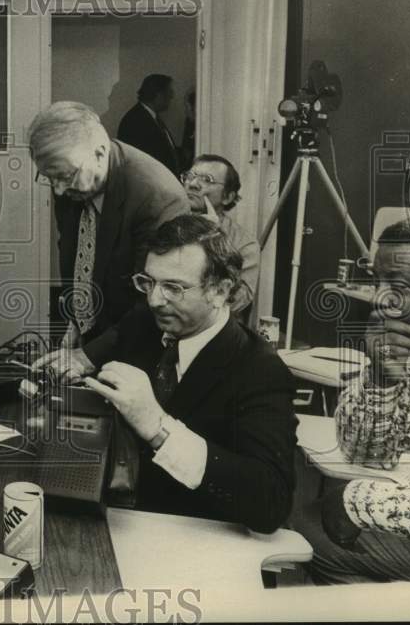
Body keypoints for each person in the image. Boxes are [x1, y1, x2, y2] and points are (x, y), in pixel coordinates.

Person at [83, 214, 297, 533]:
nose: (155, 300)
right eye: (149, 282)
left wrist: (158, 428)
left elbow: (271, 503)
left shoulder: (260, 370)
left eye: (174, 287)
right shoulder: (144, 324)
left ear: (221, 291)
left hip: (201, 542)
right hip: (119, 521)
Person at [296, 217, 410, 583]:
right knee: (307, 526)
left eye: (400, 285)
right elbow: (363, 451)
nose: (379, 298)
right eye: (377, 281)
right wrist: (378, 377)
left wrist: (356, 502)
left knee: (312, 530)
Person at [28, 101, 188, 377]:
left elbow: (154, 302)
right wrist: (76, 322)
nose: (59, 189)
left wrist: (88, 356)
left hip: (143, 345)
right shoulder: (70, 181)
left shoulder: (156, 197)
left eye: (65, 176)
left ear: (100, 153)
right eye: (50, 178)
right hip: (100, 330)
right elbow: (72, 251)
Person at [181, 154, 259, 316]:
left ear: (228, 196)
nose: (193, 184)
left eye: (207, 180)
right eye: (190, 176)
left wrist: (213, 238)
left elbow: (239, 300)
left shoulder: (245, 244)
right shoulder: (170, 223)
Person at [116, 74, 181, 177]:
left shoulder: (150, 117)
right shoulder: (135, 121)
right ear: (158, 95)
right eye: (169, 93)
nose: (172, 96)